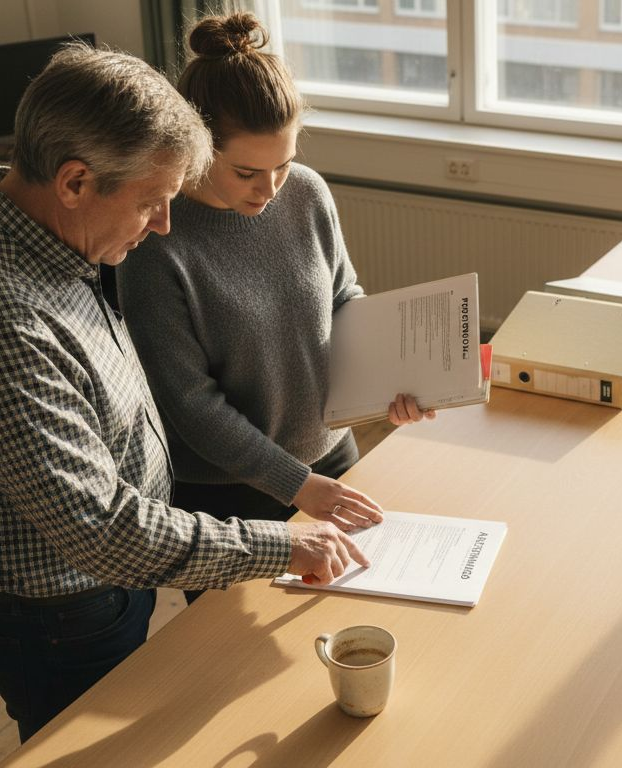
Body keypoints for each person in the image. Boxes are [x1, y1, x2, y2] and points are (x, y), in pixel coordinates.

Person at [0, 44, 367, 743]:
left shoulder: (38, 228)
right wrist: (283, 546)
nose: (165, 227)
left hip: (103, 587)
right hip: (57, 614)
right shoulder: (1, 322)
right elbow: (105, 530)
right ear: (76, 181)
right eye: (152, 202)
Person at [116, 11, 433, 604]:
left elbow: (343, 300)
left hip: (331, 461)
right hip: (226, 496)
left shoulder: (307, 193)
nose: (270, 190)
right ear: (195, 148)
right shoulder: (155, 241)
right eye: (246, 172)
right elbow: (190, 405)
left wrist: (391, 382)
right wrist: (296, 485)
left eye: (284, 165)